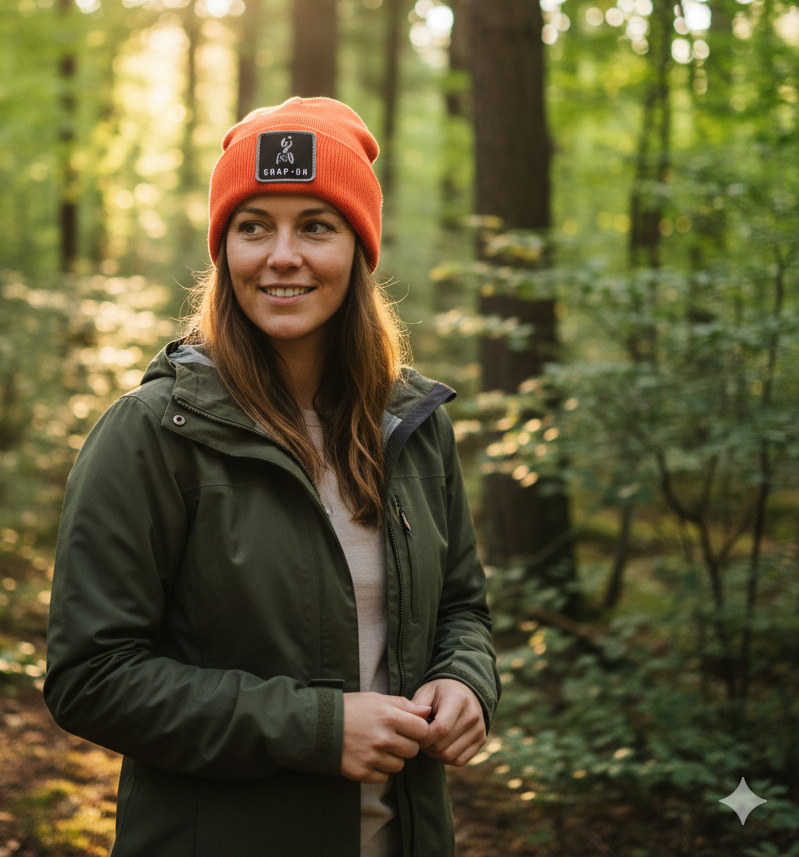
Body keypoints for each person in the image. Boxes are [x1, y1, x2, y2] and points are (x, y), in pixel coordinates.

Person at [44, 97, 500, 857]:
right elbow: (91, 677)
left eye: (315, 226)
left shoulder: (413, 425)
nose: (281, 255)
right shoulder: (153, 434)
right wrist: (317, 728)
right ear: (225, 251)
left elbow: (462, 608)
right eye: (254, 226)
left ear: (359, 248)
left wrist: (465, 682)